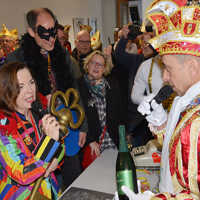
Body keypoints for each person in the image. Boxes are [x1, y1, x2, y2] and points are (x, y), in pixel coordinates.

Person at [115, 0, 200, 199]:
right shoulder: (183, 101)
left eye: (168, 69)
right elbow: (179, 153)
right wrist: (162, 123)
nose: (165, 78)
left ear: (192, 67)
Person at [6, 7, 87, 190]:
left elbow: (75, 91)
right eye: (44, 33)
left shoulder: (62, 54)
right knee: (40, 180)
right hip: (33, 131)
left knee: (72, 176)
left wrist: (82, 126)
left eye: (53, 31)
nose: (51, 38)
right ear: (31, 32)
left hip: (67, 126)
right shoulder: (15, 60)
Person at [0, 62, 64, 199]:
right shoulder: (3, 128)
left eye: (31, 82)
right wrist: (49, 142)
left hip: (49, 189)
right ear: (7, 90)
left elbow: (61, 144)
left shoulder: (36, 112)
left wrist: (55, 160)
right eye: (21, 86)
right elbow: (22, 173)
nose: (30, 90)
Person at [77, 50, 126, 162]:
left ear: (104, 69)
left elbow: (121, 114)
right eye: (93, 62)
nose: (96, 66)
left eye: (100, 65)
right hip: (93, 144)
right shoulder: (79, 86)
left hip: (113, 141)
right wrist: (90, 140)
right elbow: (77, 117)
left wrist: (124, 138)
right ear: (87, 64)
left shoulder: (112, 85)